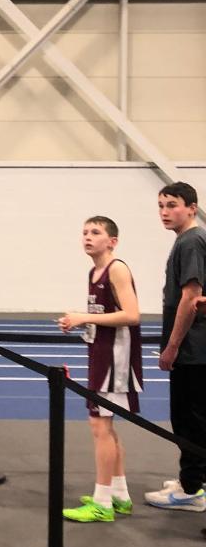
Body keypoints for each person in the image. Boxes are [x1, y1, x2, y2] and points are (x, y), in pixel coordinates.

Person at [56, 216, 142, 523]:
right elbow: (101, 314)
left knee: (100, 427)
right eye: (84, 232)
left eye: (95, 232)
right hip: (100, 352)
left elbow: (131, 315)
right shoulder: (94, 272)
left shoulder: (117, 268)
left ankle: (102, 502)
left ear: (112, 241)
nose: (87, 237)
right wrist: (79, 321)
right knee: (105, 426)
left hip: (116, 359)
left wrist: (84, 318)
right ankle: (119, 495)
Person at [145, 182, 206, 513]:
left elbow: (190, 298)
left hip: (193, 351)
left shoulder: (191, 242)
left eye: (172, 205)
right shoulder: (188, 241)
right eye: (161, 205)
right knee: (196, 418)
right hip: (196, 349)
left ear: (191, 208)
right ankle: (197, 478)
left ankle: (191, 489)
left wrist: (171, 347)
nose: (165, 212)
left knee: (188, 420)